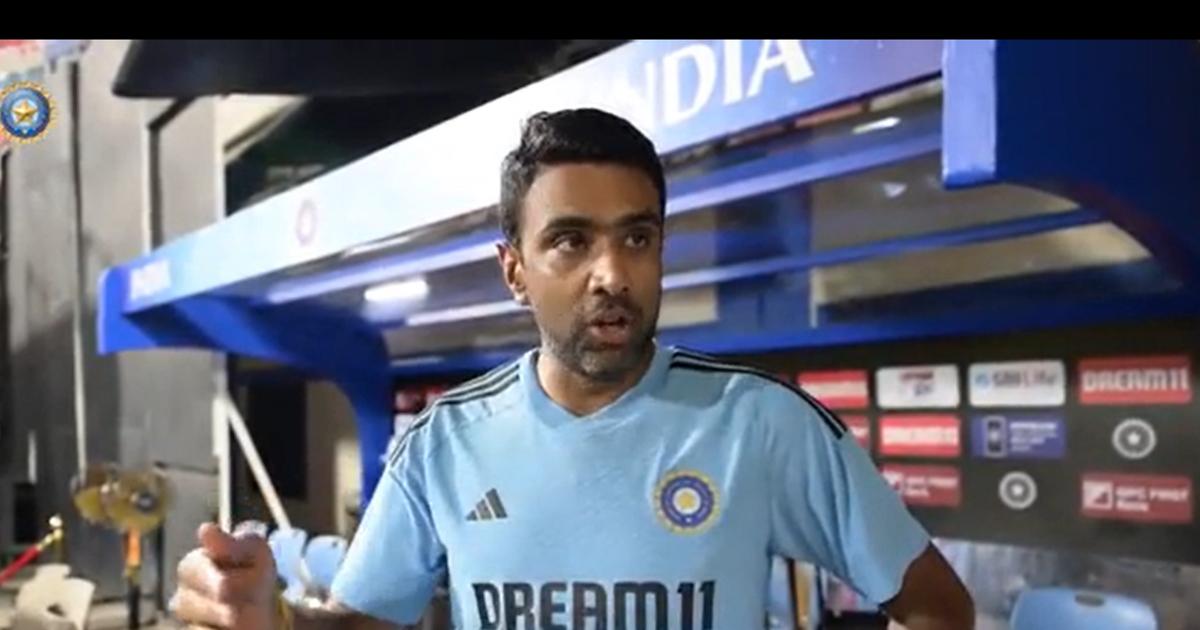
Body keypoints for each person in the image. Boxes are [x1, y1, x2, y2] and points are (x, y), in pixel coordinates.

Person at [171, 108, 975, 629]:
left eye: (637, 238)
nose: (612, 274)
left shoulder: (764, 424)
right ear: (514, 270)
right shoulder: (444, 443)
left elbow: (938, 608)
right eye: (570, 241)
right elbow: (367, 623)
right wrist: (276, 618)